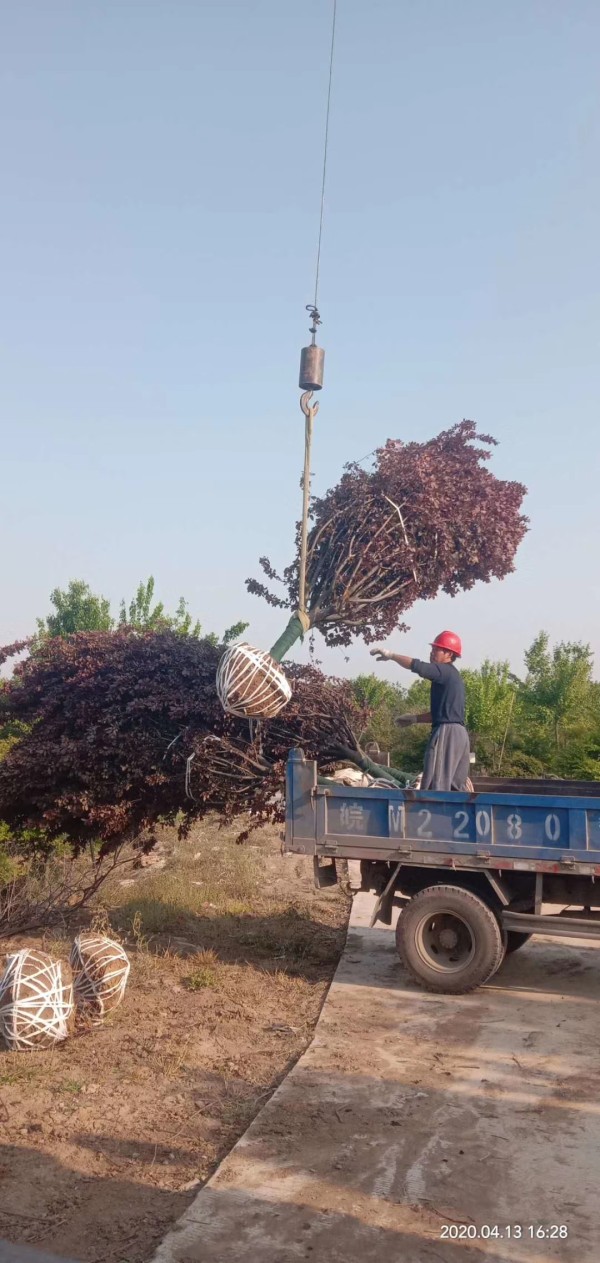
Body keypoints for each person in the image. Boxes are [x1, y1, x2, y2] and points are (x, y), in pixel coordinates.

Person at [370, 630, 470, 792]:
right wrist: (414, 719)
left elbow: (419, 667)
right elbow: (441, 714)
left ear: (449, 654)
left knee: (437, 784)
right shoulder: (452, 676)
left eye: (436, 649)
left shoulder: (443, 671)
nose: (432, 652)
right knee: (455, 787)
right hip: (459, 734)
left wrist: (391, 655)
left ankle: (433, 814)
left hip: (448, 733)